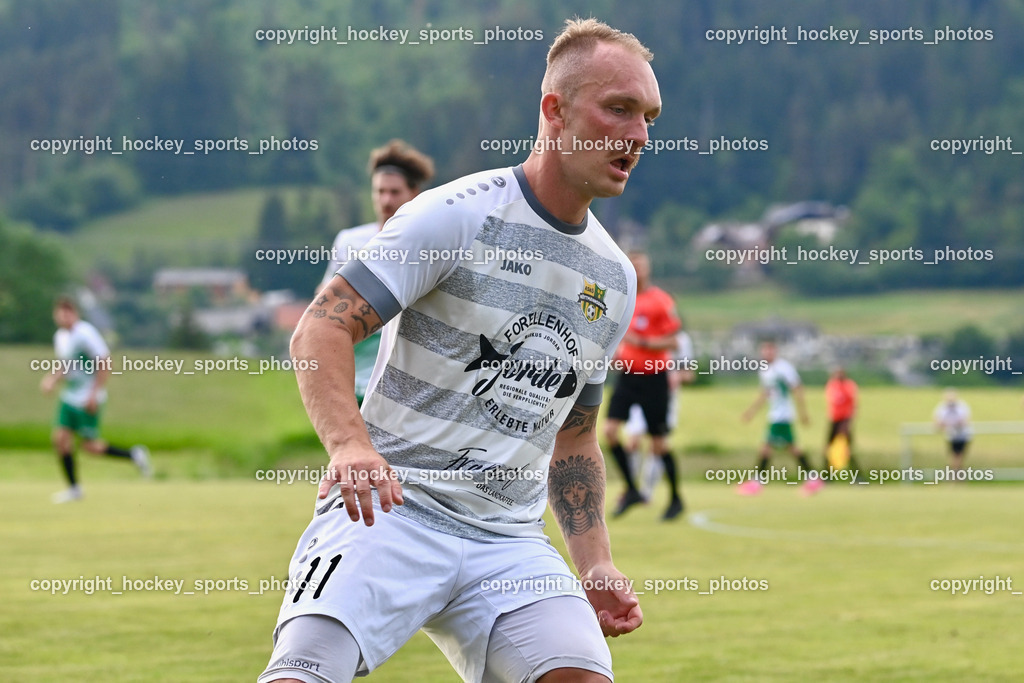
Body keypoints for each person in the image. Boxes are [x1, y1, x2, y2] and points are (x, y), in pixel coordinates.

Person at [260, 17, 659, 683]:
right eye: (618, 108)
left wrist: (594, 562)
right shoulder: (456, 216)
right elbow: (320, 329)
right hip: (390, 514)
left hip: (507, 542)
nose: (639, 135)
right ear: (554, 112)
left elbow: (575, 435)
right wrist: (351, 446)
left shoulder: (614, 277)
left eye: (647, 116)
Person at [318, 140, 435, 404]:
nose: (386, 200)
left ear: (414, 193)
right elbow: (324, 301)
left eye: (394, 192)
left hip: (407, 377)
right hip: (355, 373)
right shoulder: (349, 241)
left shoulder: (430, 247)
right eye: (380, 191)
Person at [40, 296, 151, 503]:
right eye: (60, 312)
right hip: (69, 397)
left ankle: (134, 455)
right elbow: (66, 365)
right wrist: (51, 380)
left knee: (90, 447)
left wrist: (93, 394)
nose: (63, 316)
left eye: (68, 312)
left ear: (75, 314)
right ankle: (74, 489)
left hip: (87, 398)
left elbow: (105, 361)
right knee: (60, 440)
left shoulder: (85, 333)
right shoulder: (60, 337)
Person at [603, 256, 685, 521]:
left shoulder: (661, 300)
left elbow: (674, 342)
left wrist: (644, 343)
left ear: (648, 269)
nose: (637, 270)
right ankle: (632, 489)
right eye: (632, 265)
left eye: (641, 265)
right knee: (610, 431)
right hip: (628, 376)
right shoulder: (621, 298)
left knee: (658, 442)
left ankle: (675, 498)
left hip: (654, 376)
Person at [624, 328, 695, 501]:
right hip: (640, 393)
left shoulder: (681, 340)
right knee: (633, 440)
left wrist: (676, 377)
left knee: (657, 444)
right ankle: (631, 489)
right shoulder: (642, 331)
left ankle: (647, 491)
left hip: (665, 398)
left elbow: (689, 374)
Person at [738, 340, 814, 495]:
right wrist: (751, 411)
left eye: (769, 350)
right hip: (774, 414)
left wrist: (803, 412)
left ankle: (757, 482)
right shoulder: (765, 371)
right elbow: (765, 394)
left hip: (783, 414)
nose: (767, 353)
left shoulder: (784, 368)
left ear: (775, 351)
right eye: (764, 351)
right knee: (791, 448)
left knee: (767, 448)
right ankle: (813, 478)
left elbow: (797, 388)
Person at [823, 365, 860, 480]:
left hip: (844, 421)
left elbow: (853, 405)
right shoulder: (832, 385)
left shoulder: (849, 385)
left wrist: (847, 423)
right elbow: (831, 403)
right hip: (834, 420)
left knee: (846, 450)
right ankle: (828, 476)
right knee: (828, 450)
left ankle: (857, 477)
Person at [933, 388, 971, 472]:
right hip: (951, 435)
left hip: (962, 435)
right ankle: (955, 476)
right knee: (954, 457)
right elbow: (938, 422)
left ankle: (957, 476)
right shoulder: (942, 408)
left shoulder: (962, 406)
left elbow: (965, 421)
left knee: (959, 457)